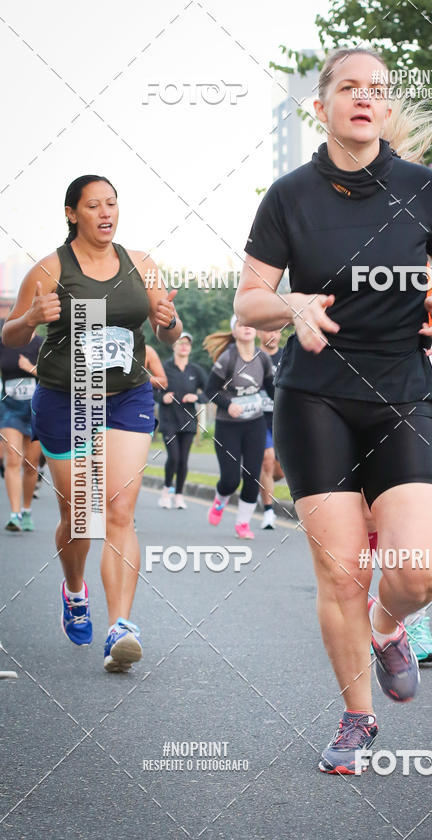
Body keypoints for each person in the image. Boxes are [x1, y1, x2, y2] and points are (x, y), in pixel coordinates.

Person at [235, 47, 432, 773]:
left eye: (377, 91)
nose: (364, 100)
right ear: (323, 106)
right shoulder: (288, 196)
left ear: (388, 109)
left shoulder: (423, 188)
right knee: (340, 574)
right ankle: (357, 718)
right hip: (314, 399)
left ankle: (389, 624)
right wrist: (291, 301)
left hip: (402, 391)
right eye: (348, 89)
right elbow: (249, 298)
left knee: (420, 572)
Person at [1, 174, 181, 672]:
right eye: (94, 205)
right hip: (66, 400)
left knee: (119, 510)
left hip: (127, 397)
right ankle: (75, 590)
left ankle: (121, 626)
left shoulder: (142, 265)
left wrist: (169, 321)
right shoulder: (48, 269)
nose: (106, 213)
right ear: (71, 213)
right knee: (81, 517)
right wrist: (33, 316)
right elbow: (12, 334)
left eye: (113, 204)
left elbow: (169, 333)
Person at [360, 97, 432, 663]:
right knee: (368, 510)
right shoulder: (343, 220)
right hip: (351, 382)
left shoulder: (427, 215)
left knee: (417, 505)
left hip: (422, 383)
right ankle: (374, 604)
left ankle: (412, 619)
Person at [203, 316, 274, 539]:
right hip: (228, 426)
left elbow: (273, 391)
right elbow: (210, 390)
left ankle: (243, 524)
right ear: (234, 331)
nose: (247, 328)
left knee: (253, 476)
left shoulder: (263, 358)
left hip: (255, 423)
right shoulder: (228, 358)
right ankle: (220, 499)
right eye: (241, 324)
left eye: (251, 324)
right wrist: (228, 404)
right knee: (231, 479)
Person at [156, 331, 208, 509]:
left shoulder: (196, 370)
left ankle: (179, 495)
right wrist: (162, 398)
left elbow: (210, 392)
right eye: (181, 342)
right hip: (169, 420)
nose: (184, 346)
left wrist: (197, 397)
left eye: (187, 343)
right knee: (174, 457)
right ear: (174, 346)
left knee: (183, 460)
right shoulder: (164, 368)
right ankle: (166, 491)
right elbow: (152, 389)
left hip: (188, 421)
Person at [0, 330, 43, 531]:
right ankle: (15, 514)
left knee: (31, 465)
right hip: (10, 410)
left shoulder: (41, 344)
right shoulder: (4, 341)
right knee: (13, 458)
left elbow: (56, 376)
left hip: (36, 409)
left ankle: (26, 510)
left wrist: (30, 368)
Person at [256, 328, 284, 529]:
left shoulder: (287, 355)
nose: (272, 335)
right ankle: (268, 511)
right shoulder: (252, 357)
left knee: (280, 472)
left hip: (283, 419)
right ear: (259, 332)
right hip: (257, 419)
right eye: (268, 330)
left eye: (276, 331)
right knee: (266, 460)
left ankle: (261, 484)